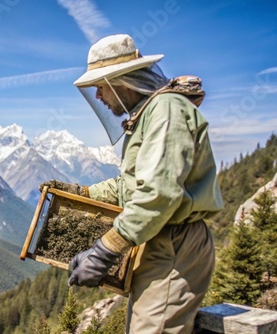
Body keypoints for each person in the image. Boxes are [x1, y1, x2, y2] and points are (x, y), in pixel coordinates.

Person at [39, 34, 223, 333]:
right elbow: (132, 184)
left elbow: (158, 195)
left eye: (100, 87)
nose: (98, 97)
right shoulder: (151, 113)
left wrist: (104, 250)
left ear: (120, 82)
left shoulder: (166, 112)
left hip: (175, 244)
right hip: (158, 240)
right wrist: (81, 193)